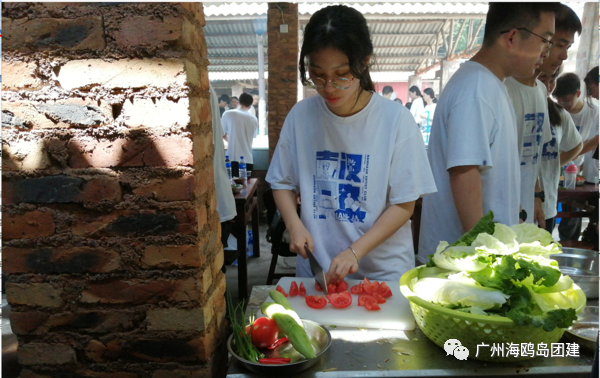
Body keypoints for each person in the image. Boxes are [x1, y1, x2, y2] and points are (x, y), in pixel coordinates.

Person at [266, 5, 436, 283]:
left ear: (364, 62)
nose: (329, 87)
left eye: (342, 74)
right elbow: (281, 182)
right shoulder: (302, 116)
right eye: (318, 74)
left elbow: (404, 204)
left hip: (383, 273)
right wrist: (294, 225)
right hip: (318, 269)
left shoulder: (395, 120)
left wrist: (354, 252)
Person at [418, 3, 559, 264]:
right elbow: (464, 172)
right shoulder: (476, 89)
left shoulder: (491, 83)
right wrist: (482, 256)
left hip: (477, 257)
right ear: (513, 37)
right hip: (464, 264)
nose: (546, 53)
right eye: (545, 41)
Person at [504, 3, 580, 229]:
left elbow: (531, 155)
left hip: (531, 211)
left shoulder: (538, 90)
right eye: (559, 44)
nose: (563, 55)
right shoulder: (502, 88)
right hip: (504, 215)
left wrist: (537, 196)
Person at [553, 72, 599, 241]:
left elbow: (596, 139)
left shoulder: (594, 112)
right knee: (549, 206)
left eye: (566, 100)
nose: (563, 105)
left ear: (578, 94)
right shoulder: (556, 111)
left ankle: (569, 244)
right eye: (560, 102)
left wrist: (573, 154)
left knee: (573, 211)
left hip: (577, 172)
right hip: (555, 168)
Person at [538, 68, 583, 234]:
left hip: (547, 200)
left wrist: (554, 164)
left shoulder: (558, 113)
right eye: (543, 78)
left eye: (552, 80)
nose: (548, 86)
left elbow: (576, 145)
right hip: (517, 202)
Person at [209, 84, 237, 268]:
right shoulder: (210, 91)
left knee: (216, 266)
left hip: (217, 200)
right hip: (221, 198)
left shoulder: (205, 91)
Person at [222, 93, 258, 178]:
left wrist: (232, 142)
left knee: (233, 188)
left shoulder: (228, 114)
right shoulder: (254, 119)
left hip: (232, 158)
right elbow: (249, 137)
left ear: (238, 102)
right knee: (247, 188)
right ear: (250, 106)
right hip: (248, 159)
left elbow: (223, 135)